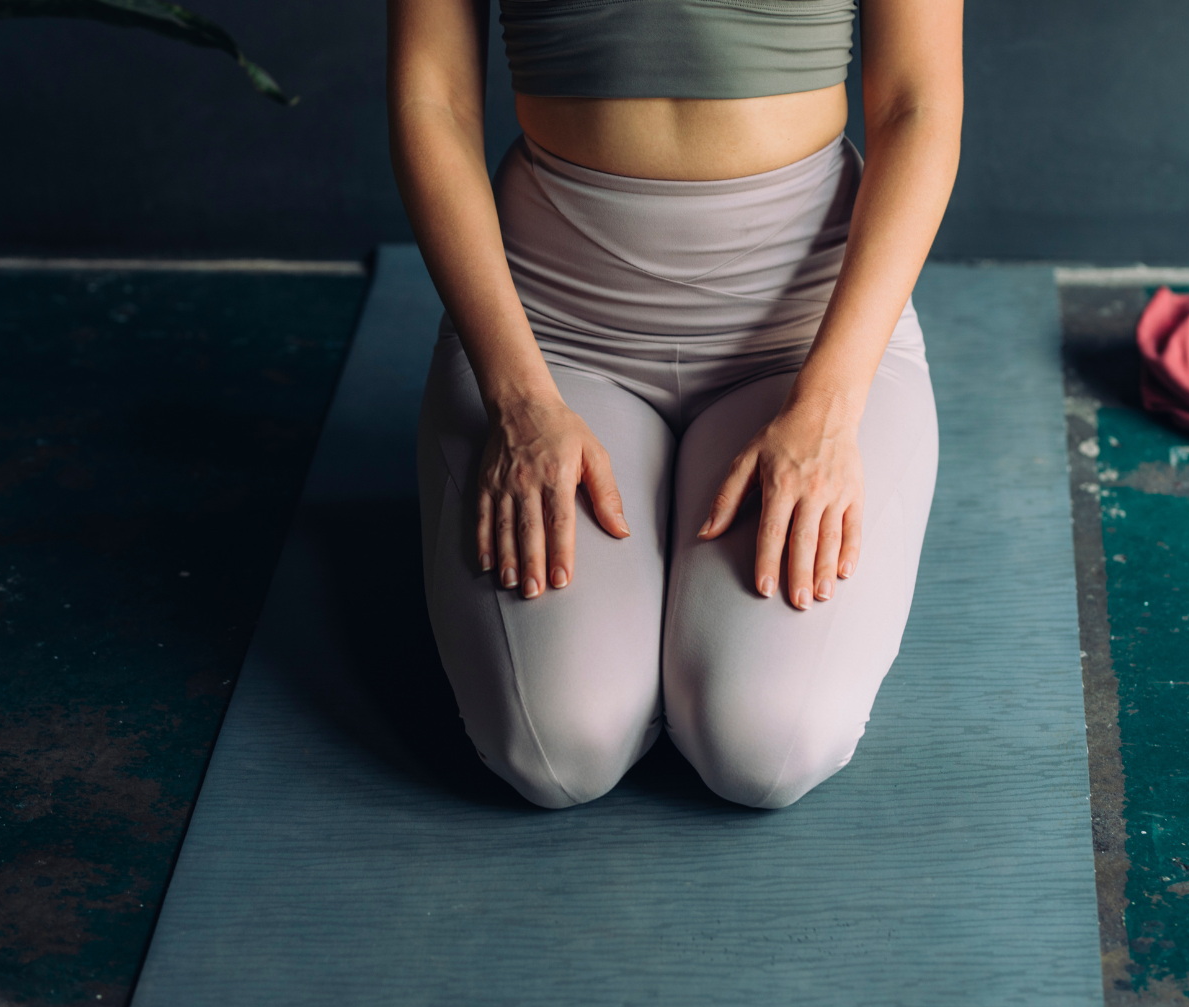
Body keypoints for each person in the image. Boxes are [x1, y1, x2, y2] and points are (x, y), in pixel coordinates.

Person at [389, 0, 962, 809]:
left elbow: (918, 103)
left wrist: (830, 408)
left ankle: (674, 646)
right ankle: (652, 645)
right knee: (555, 749)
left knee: (766, 748)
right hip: (551, 337)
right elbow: (431, 100)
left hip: (806, 341)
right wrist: (518, 398)